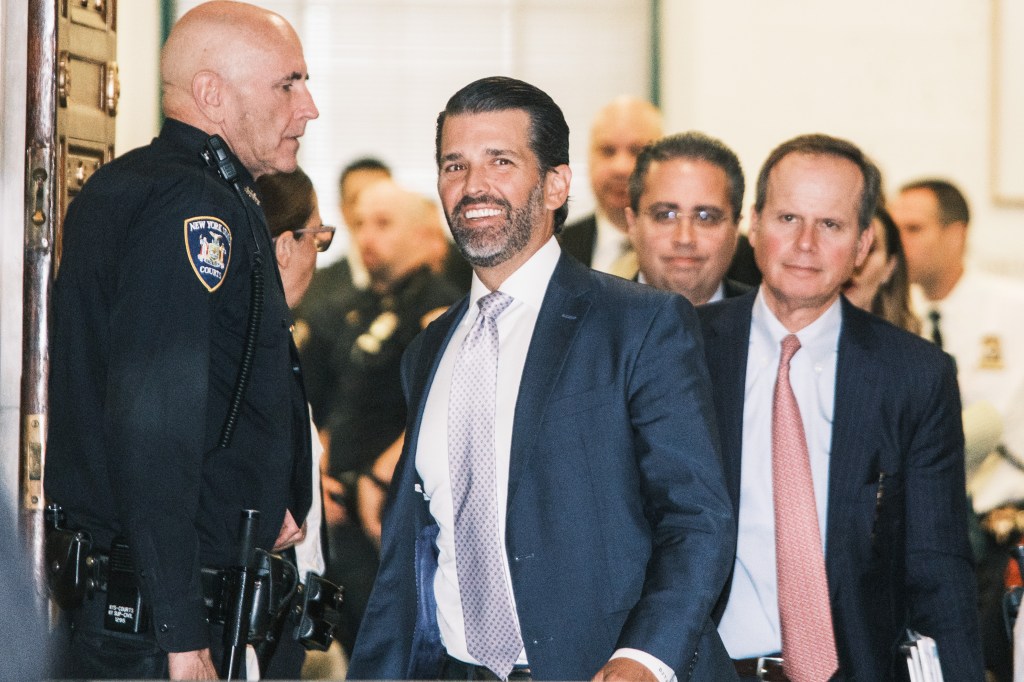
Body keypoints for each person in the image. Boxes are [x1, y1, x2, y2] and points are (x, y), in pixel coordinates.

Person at [348, 75, 736, 681]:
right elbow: (418, 546)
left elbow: (697, 519)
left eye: (500, 161)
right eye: (455, 165)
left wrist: (644, 658)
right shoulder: (427, 350)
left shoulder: (640, 323)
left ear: (556, 184)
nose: (473, 184)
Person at [45, 2, 319, 679]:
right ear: (211, 94)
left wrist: (267, 490)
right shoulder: (194, 209)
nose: (308, 106)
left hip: (158, 597)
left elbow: (216, 395)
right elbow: (154, 425)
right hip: (157, 622)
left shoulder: (165, 187)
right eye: (288, 84)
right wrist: (180, 633)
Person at [700, 134, 983, 681]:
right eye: (787, 218)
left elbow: (939, 567)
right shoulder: (683, 353)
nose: (805, 243)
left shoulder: (915, 376)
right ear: (753, 225)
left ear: (862, 245)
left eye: (830, 225)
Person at [300, 178, 461, 658]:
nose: (367, 238)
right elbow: (332, 402)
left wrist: (378, 475)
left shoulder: (441, 303)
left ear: (425, 234)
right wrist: (319, 475)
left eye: (385, 224)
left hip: (389, 508)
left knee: (392, 648)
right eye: (361, 225)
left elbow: (445, 403)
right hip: (336, 503)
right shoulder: (356, 306)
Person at [892, 178, 1024, 681]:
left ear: (957, 234)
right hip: (933, 530)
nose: (901, 241)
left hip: (1000, 529)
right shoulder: (897, 315)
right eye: (896, 227)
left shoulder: (1012, 308)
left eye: (915, 228)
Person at [255, 167, 341, 679]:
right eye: (318, 238)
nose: (317, 254)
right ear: (285, 246)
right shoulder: (251, 351)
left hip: (288, 609)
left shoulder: (276, 339)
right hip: (258, 614)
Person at [626, 131, 752, 305]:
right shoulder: (586, 325)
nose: (684, 239)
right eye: (665, 215)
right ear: (632, 224)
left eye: (705, 217)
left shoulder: (769, 326)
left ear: (736, 228)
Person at [558, 96, 662, 277]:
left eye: (637, 151)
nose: (621, 168)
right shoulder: (553, 250)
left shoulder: (689, 250)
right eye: (607, 151)